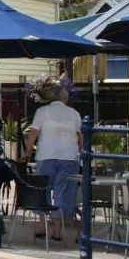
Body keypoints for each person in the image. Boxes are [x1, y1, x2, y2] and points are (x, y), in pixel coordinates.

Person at [24, 84, 81, 241]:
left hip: (46, 154)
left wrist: (28, 151)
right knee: (62, 191)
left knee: (42, 188)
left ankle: (42, 226)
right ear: (65, 97)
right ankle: (57, 230)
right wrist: (78, 150)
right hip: (69, 156)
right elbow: (80, 135)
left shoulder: (42, 112)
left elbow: (33, 133)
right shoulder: (74, 113)